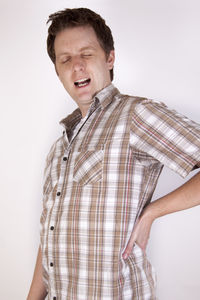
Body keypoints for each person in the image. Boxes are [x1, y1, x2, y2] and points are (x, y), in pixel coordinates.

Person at [27, 7, 200, 300]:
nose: (77, 66)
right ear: (58, 71)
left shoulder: (136, 115)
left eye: (87, 54)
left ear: (109, 58)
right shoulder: (59, 149)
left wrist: (152, 212)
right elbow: (50, 237)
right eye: (65, 59)